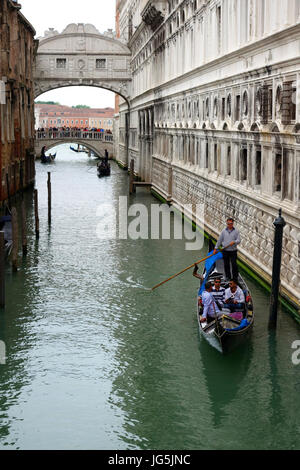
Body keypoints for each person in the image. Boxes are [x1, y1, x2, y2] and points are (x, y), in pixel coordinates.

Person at [213, 217, 240, 282]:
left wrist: (234, 242)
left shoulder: (236, 231)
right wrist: (215, 248)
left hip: (233, 250)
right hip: (225, 250)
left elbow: (239, 240)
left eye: (231, 223)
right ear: (227, 224)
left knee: (234, 264)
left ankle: (235, 278)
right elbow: (219, 240)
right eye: (228, 224)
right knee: (226, 264)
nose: (229, 225)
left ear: (233, 223)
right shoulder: (223, 231)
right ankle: (228, 277)